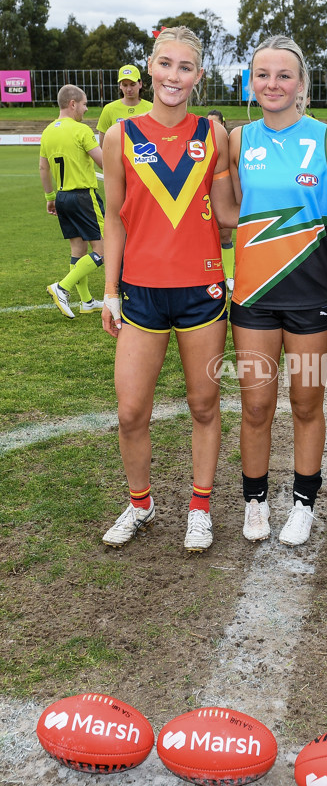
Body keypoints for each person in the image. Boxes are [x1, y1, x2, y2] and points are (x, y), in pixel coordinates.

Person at [100, 27, 239, 552]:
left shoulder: (215, 135)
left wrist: (308, 215)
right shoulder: (121, 136)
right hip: (140, 292)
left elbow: (228, 213)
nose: (173, 76)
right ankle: (141, 504)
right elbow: (114, 218)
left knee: (204, 405)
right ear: (150, 68)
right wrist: (110, 290)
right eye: (165, 64)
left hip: (201, 291)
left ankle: (199, 507)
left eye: (185, 67)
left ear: (198, 77)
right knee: (130, 410)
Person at [228, 35, 327, 547]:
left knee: (306, 403)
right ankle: (255, 503)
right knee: (255, 407)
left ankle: (303, 504)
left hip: (311, 296)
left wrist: (313, 230)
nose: (273, 84)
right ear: (251, 81)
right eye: (263, 75)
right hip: (253, 298)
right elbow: (235, 212)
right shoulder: (238, 140)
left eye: (284, 75)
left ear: (301, 83)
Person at [40, 85, 105, 318]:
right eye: (85, 104)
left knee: (78, 248)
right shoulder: (80, 130)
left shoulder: (47, 132)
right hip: (83, 196)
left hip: (62, 196)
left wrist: (50, 198)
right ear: (73, 103)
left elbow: (43, 167)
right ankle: (62, 287)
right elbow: (102, 161)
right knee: (103, 250)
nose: (86, 109)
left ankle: (86, 301)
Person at [207, 109, 235, 292]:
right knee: (206, 236)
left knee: (225, 235)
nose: (212, 127)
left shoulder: (231, 143)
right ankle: (210, 274)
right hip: (205, 194)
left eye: (215, 123)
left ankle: (230, 276)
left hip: (224, 191)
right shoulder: (201, 143)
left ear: (223, 124)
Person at [96, 65, 153, 148]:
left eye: (132, 84)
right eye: (125, 85)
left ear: (140, 84)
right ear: (120, 86)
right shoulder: (109, 109)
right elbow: (103, 143)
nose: (129, 89)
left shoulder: (151, 108)